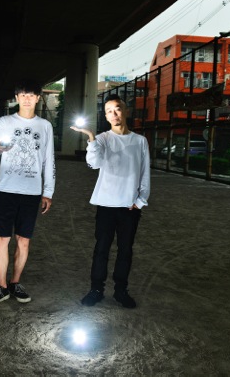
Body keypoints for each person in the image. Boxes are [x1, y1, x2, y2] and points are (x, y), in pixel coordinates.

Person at [70, 94, 150, 308]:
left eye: (117, 109)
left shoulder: (140, 141)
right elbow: (94, 163)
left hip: (130, 206)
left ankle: (121, 291)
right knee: (101, 249)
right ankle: (96, 290)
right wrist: (91, 137)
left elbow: (145, 173)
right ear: (105, 117)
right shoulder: (103, 138)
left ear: (126, 111)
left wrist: (140, 200)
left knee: (125, 250)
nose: (114, 114)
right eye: (108, 111)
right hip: (106, 204)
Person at [0, 82, 55, 307]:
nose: (27, 99)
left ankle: (15, 283)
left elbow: (49, 159)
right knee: (0, 239)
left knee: (23, 241)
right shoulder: (5, 122)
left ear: (38, 98)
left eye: (31, 95)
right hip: (6, 189)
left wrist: (48, 191)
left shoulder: (45, 126)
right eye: (22, 95)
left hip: (32, 191)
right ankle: (1, 287)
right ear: (16, 98)